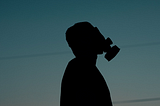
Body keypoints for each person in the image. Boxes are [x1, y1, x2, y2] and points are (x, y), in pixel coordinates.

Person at [60, 22, 113, 106]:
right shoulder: (82, 69)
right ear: (85, 41)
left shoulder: (81, 67)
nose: (99, 37)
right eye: (94, 34)